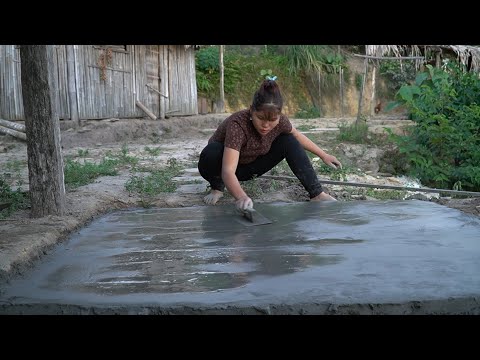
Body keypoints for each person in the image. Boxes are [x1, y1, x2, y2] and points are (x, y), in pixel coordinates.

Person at [197, 76, 342, 212]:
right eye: (260, 118)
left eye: (272, 120)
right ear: (251, 110)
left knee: (289, 140)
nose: (265, 125)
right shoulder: (237, 124)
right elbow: (228, 170)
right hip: (219, 167)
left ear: (279, 115)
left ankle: (317, 194)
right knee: (213, 150)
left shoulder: (281, 122)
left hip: (250, 167)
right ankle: (217, 188)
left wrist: (324, 155)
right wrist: (241, 197)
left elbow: (297, 135)